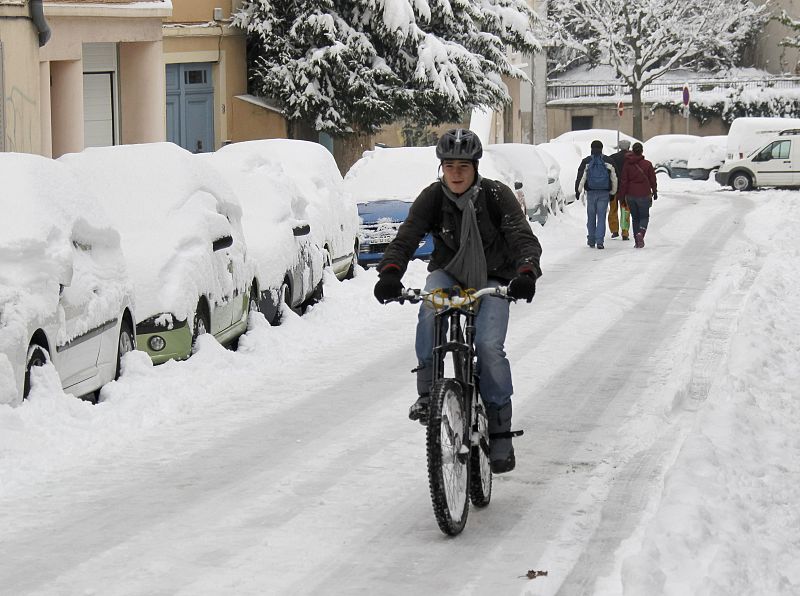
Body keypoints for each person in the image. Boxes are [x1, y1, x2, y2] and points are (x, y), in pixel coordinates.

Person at [372, 128, 542, 474]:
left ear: (476, 166)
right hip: (449, 273)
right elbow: (407, 237)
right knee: (428, 310)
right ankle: (428, 393)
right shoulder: (433, 198)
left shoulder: (496, 196)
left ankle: (498, 430)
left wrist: (525, 272)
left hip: (495, 277)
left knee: (489, 346)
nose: (457, 173)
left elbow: (522, 237)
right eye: (449, 166)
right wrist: (390, 272)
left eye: (464, 165)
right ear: (442, 168)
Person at [575, 140, 618, 249]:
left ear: (591, 148)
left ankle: (591, 239)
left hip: (591, 193)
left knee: (591, 217)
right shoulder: (608, 161)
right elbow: (614, 178)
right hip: (604, 193)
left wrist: (578, 190)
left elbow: (581, 177)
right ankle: (600, 241)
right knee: (601, 217)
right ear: (602, 148)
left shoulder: (587, 161)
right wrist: (613, 192)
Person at [618, 142, 658, 248]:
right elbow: (652, 179)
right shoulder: (647, 164)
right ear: (642, 151)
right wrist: (654, 191)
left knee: (635, 218)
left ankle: (637, 240)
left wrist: (622, 197)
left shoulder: (627, 165)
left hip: (630, 195)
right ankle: (641, 234)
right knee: (644, 217)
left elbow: (623, 181)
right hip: (644, 194)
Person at [608, 140, 632, 241]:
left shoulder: (612, 157)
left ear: (619, 147)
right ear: (629, 147)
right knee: (625, 209)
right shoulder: (632, 157)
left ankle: (614, 230)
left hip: (614, 188)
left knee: (613, 209)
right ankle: (625, 231)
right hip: (626, 189)